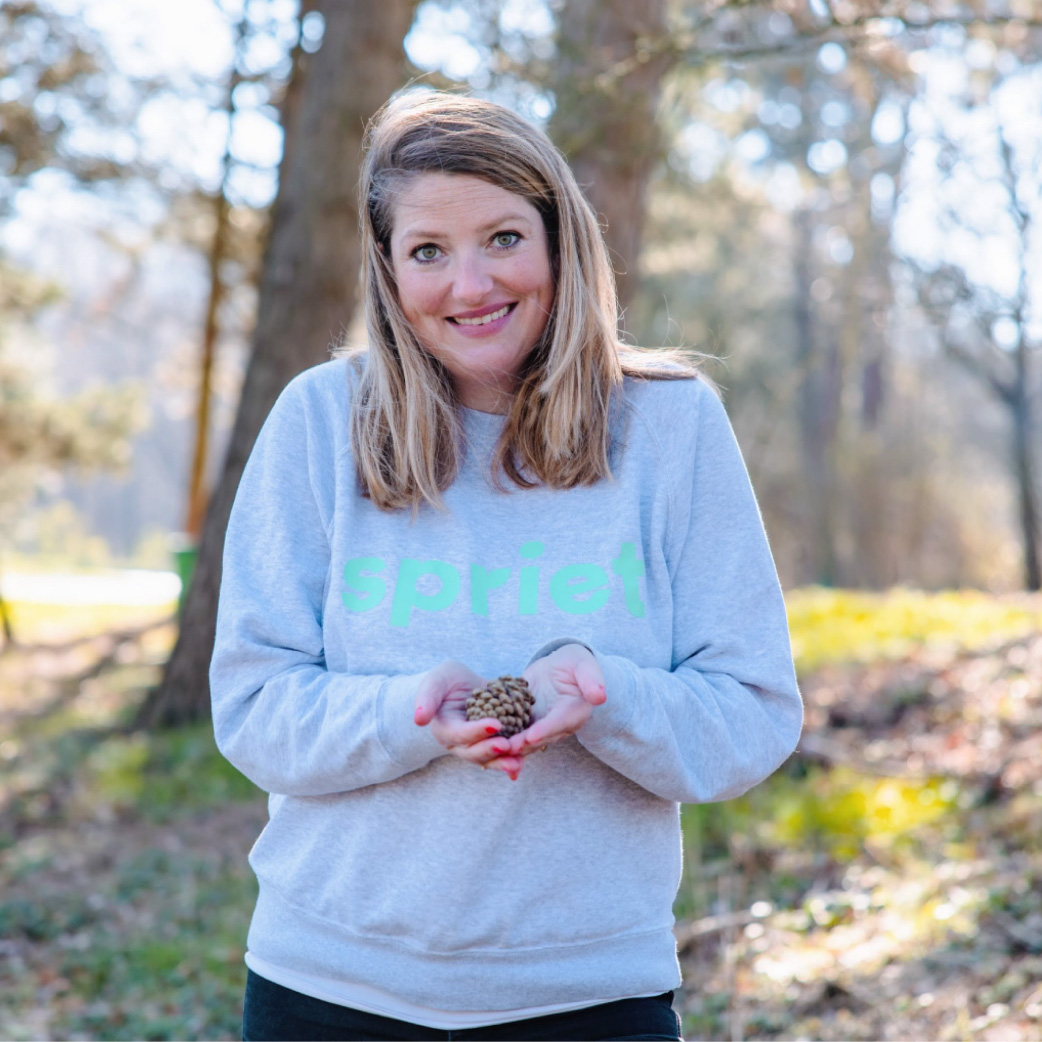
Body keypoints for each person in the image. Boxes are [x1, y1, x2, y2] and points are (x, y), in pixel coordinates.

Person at [210, 89, 803, 1042]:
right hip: (329, 988)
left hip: (588, 996)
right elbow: (251, 708)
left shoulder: (671, 426)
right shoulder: (319, 423)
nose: (470, 284)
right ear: (388, 271)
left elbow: (754, 711)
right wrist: (407, 714)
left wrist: (607, 697)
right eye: (428, 252)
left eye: (503, 237)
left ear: (560, 239)